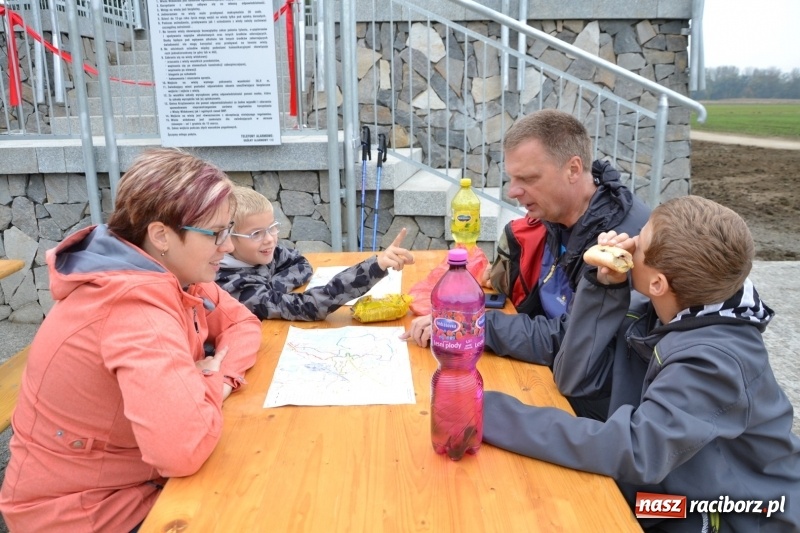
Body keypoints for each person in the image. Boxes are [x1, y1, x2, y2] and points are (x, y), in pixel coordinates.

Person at [483, 196, 800, 532]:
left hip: (729, 514)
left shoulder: (715, 362)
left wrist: (486, 411)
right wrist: (603, 287)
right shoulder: (659, 308)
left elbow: (635, 450)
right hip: (669, 492)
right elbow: (574, 378)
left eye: (640, 239)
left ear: (658, 283)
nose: (627, 243)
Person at [0, 148, 262, 532]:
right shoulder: (133, 307)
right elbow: (181, 452)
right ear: (161, 235)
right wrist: (209, 381)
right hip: (82, 511)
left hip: (133, 480)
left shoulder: (174, 273)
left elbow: (244, 324)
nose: (228, 246)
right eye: (217, 233)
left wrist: (215, 378)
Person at [402, 109, 649, 417]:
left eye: (528, 178)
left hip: (594, 408)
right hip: (551, 377)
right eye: (512, 178)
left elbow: (570, 338)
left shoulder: (618, 245)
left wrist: (474, 326)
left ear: (574, 169)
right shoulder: (561, 213)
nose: (512, 192)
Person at [215, 186, 414, 321]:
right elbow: (309, 307)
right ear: (227, 237)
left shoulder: (259, 253)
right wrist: (374, 268)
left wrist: (272, 289)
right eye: (256, 233)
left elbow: (301, 264)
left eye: (272, 228)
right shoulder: (234, 287)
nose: (269, 239)